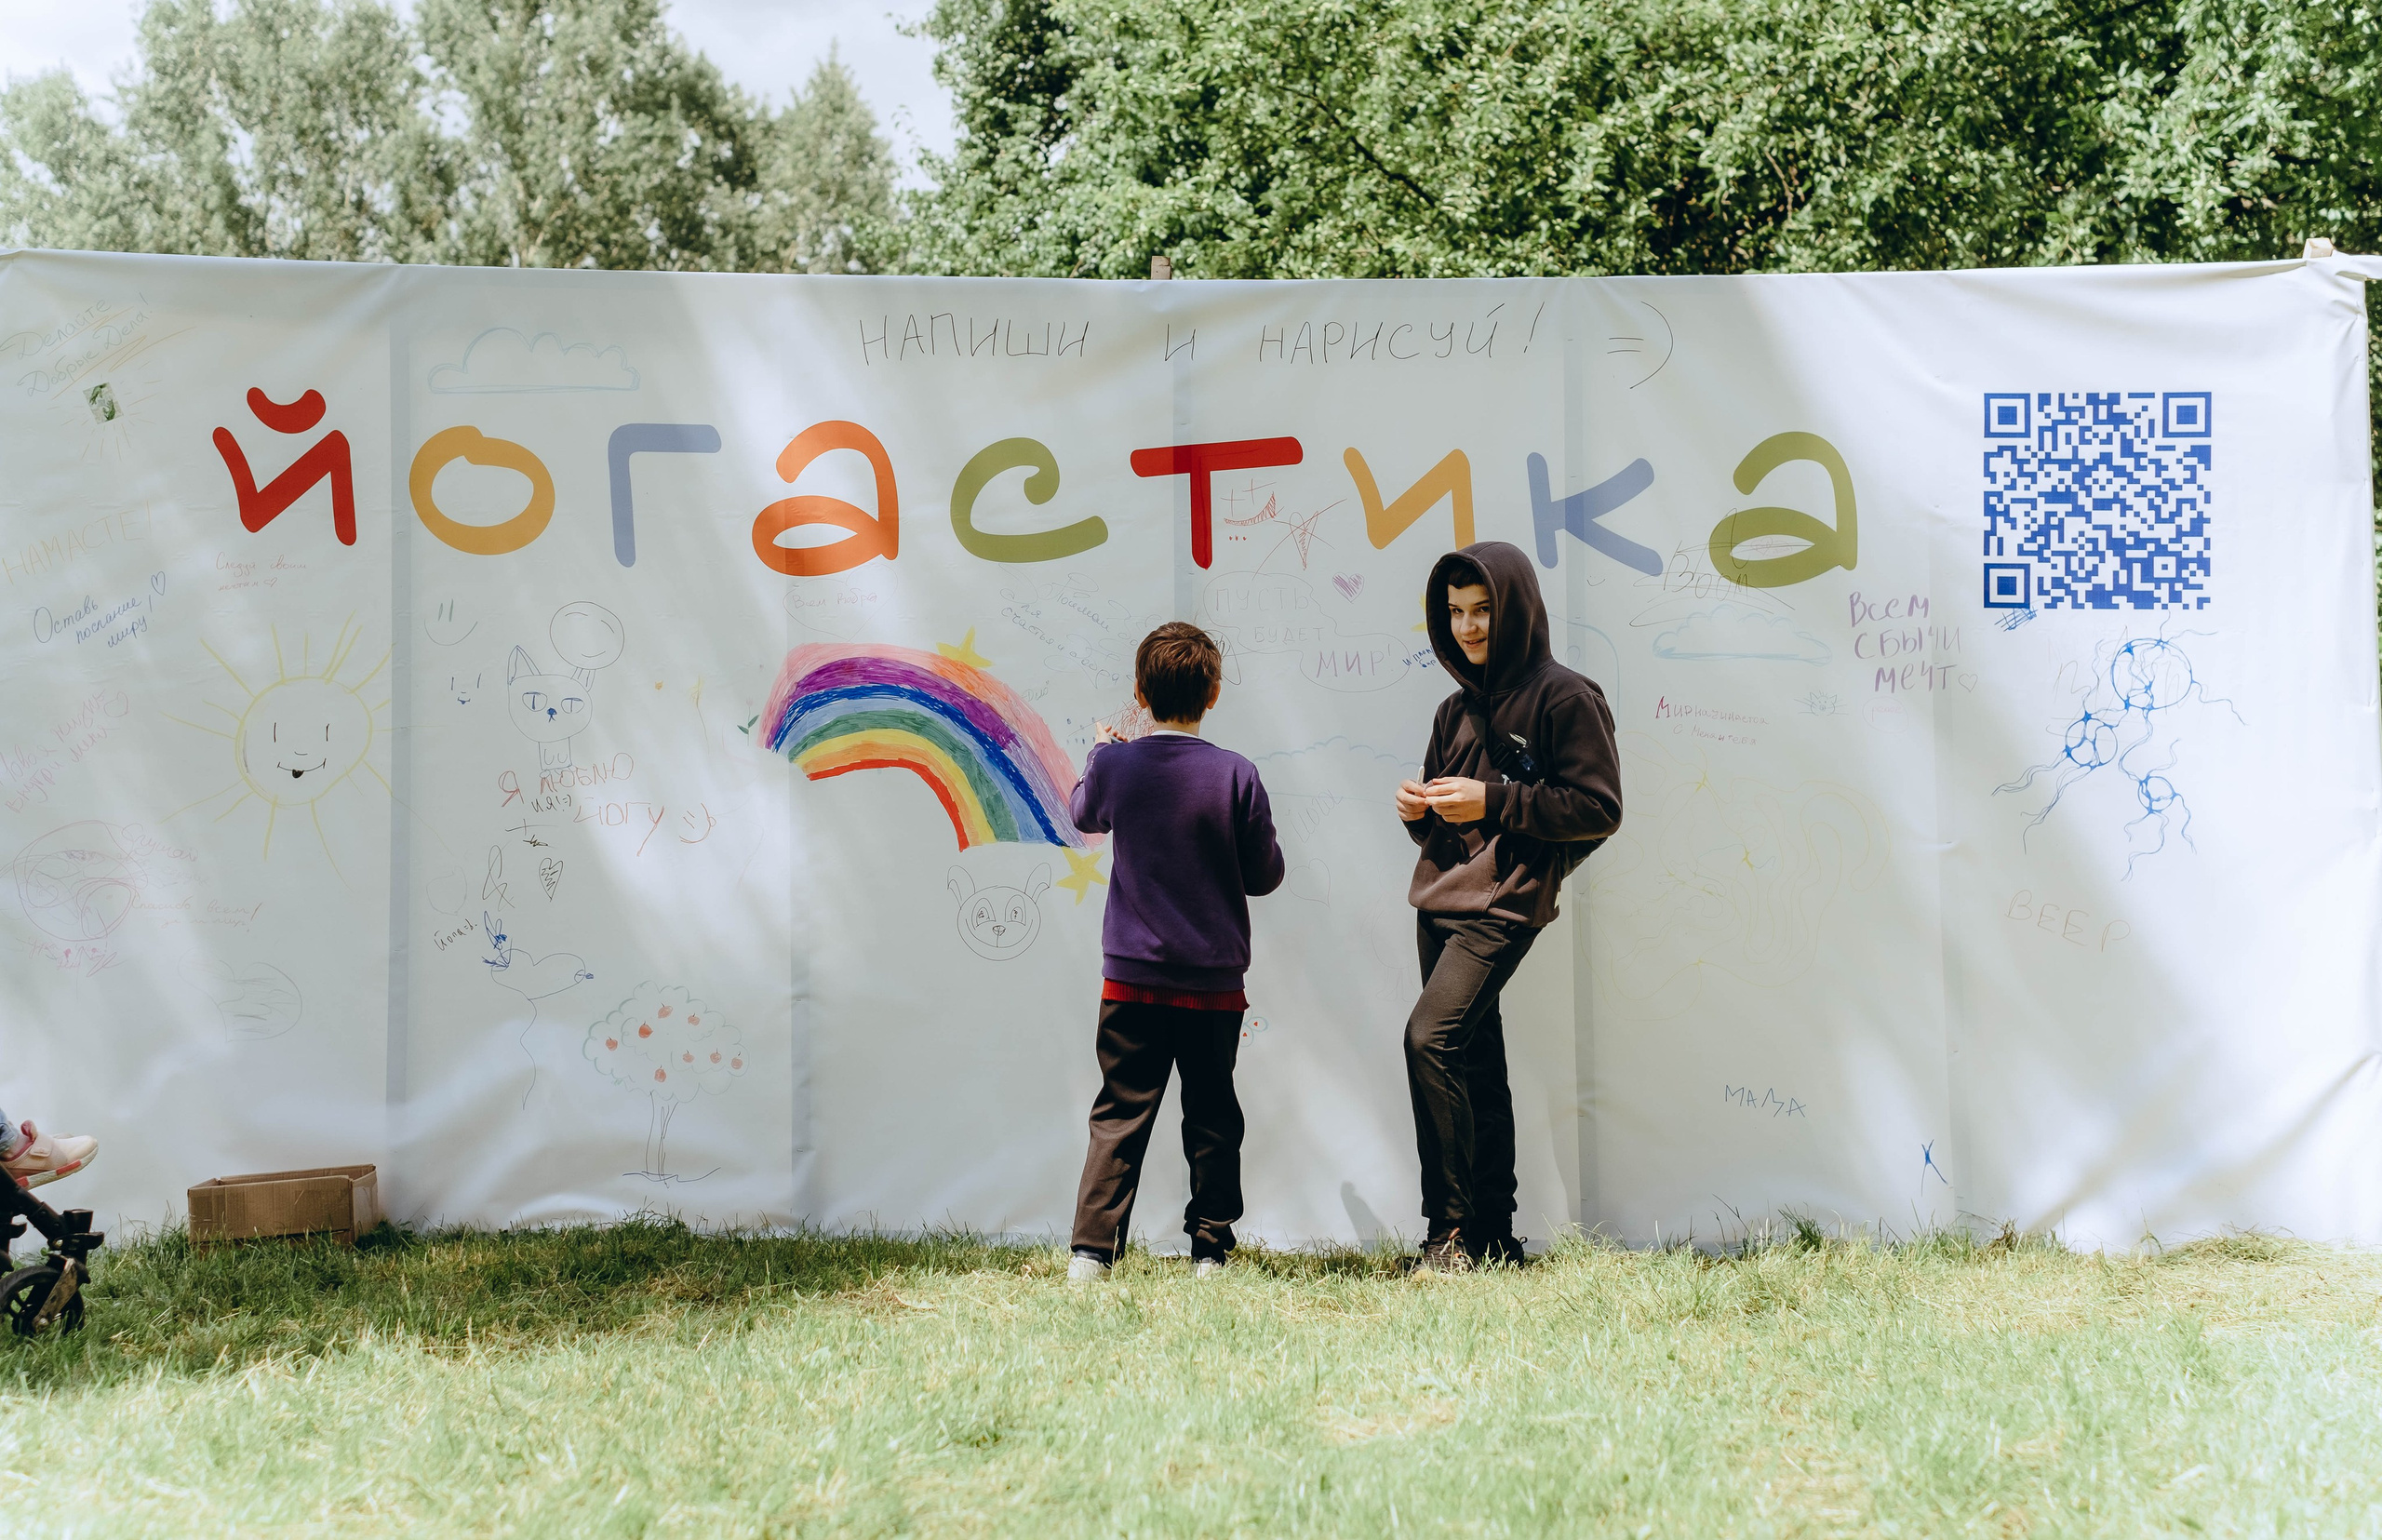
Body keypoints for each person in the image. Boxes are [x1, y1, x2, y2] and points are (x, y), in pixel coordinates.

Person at [1396, 541, 1622, 1272]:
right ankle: (1494, 1234)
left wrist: (1494, 798)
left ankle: (1450, 1233)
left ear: (1515, 605)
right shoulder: (1451, 710)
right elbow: (1442, 822)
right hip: (1439, 900)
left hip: (1505, 905)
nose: (1468, 626)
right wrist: (1416, 811)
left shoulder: (1565, 695)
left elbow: (1598, 807)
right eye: (1455, 612)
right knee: (1470, 1061)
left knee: (1428, 1038)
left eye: (1483, 609)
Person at [1065, 622, 1286, 1283]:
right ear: (1214, 692)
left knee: (1119, 1111)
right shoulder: (1236, 774)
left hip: (1130, 983)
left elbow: (1083, 813)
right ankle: (1211, 1250)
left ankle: (1091, 1253)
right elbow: (1265, 874)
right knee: (1213, 1112)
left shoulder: (1115, 766)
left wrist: (1098, 755)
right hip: (1213, 987)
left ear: (1139, 690)